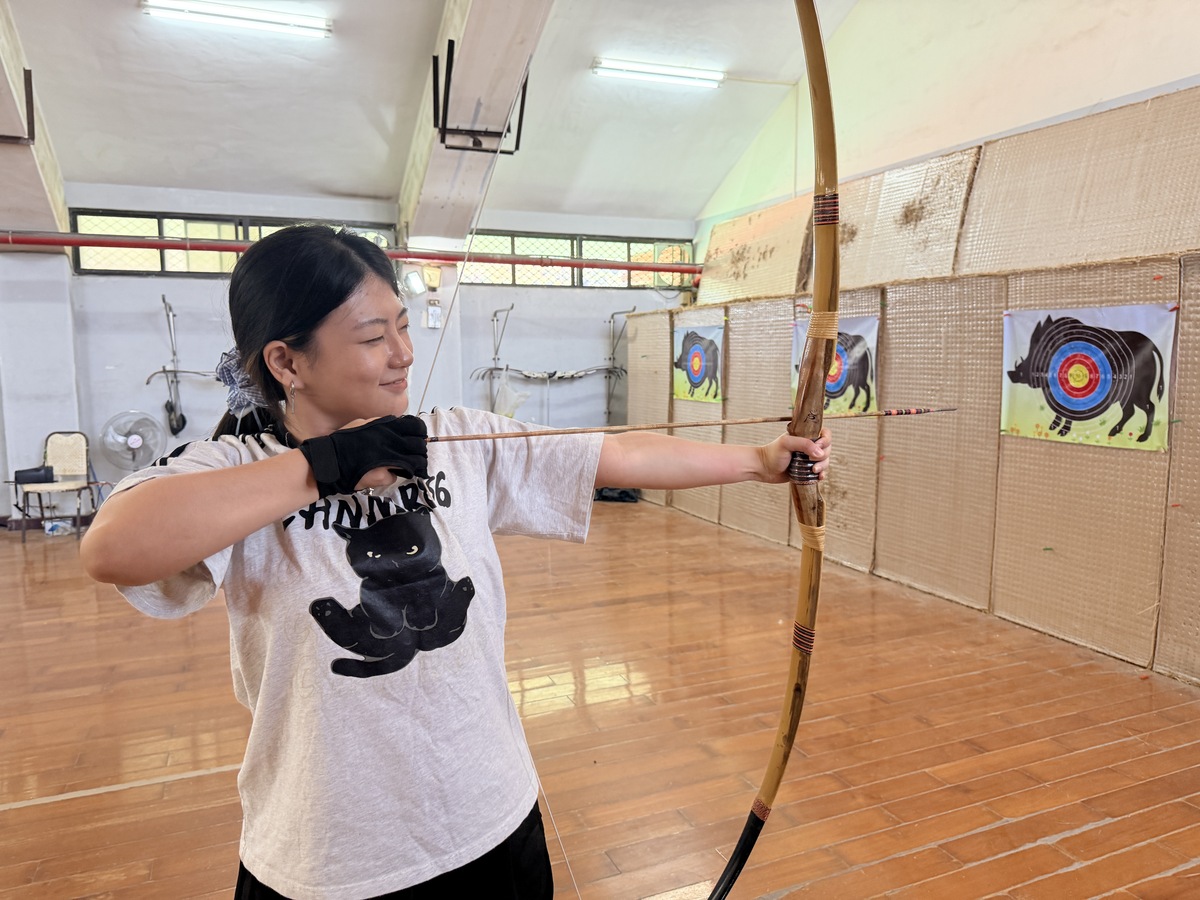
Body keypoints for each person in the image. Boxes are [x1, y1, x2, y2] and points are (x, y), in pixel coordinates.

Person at [80, 225, 831, 900]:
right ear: (287, 360)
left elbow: (616, 453)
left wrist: (757, 461)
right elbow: (113, 546)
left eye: (404, 326)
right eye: (373, 336)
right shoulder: (234, 467)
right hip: (330, 854)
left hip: (488, 820)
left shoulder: (447, 440)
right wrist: (325, 466)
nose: (403, 354)